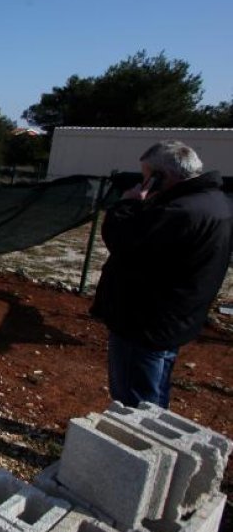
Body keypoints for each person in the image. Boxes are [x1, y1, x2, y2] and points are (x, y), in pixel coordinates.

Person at [91, 140, 233, 409]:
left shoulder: (181, 212)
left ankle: (134, 446)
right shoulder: (213, 203)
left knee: (137, 398)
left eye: (146, 176)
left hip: (145, 321)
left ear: (161, 176)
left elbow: (125, 242)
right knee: (153, 387)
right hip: (172, 318)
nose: (143, 182)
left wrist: (126, 205)